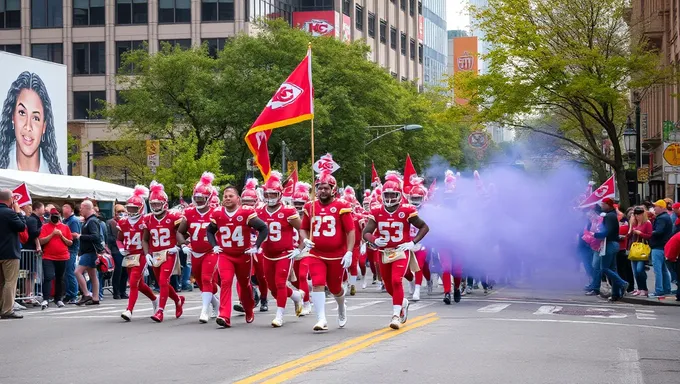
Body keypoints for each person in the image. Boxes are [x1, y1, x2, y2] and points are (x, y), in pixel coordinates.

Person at [363, 172, 429, 330]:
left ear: (400, 195)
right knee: (387, 284)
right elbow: (366, 232)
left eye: (393, 194)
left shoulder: (407, 210)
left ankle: (395, 316)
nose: (390, 198)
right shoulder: (377, 210)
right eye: (387, 194)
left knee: (396, 280)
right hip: (384, 252)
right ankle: (402, 303)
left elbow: (424, 227)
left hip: (400, 251)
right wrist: (373, 239)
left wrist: (412, 242)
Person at [299, 170, 355, 332]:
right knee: (317, 283)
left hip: (336, 254)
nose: (322, 191)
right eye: (319, 188)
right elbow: (303, 228)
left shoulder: (341, 206)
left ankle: (341, 307)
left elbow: (350, 231)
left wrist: (349, 251)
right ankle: (321, 319)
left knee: (335, 288)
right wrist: (305, 239)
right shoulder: (310, 206)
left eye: (325, 188)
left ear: (333, 189)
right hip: (316, 253)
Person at [207, 185, 269, 328]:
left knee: (244, 284)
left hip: (243, 255)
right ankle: (224, 315)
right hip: (225, 254)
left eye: (231, 196)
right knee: (226, 282)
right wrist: (214, 245)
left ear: (238, 199)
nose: (227, 198)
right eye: (225, 196)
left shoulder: (246, 213)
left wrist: (256, 246)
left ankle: (249, 308)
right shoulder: (218, 213)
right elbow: (209, 231)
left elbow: (263, 228)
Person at [256, 171, 305, 327]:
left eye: (273, 194)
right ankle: (296, 296)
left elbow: (303, 230)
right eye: (267, 194)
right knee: (272, 288)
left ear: (280, 194)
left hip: (285, 253)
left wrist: (300, 248)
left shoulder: (288, 211)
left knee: (280, 283)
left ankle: (279, 315)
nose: (270, 198)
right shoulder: (259, 211)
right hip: (267, 253)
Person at [177, 172, 220, 323]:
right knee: (201, 283)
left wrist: (219, 245)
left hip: (211, 250)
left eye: (202, 198)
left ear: (208, 198)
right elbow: (180, 232)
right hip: (195, 251)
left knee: (207, 278)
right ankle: (216, 304)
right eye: (197, 198)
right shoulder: (189, 212)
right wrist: (183, 245)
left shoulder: (216, 212)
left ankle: (204, 311)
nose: (199, 200)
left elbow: (224, 231)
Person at [0, 71, 63, 174]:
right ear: (12, 117)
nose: (28, 126)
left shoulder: (55, 177)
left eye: (36, 118)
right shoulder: (2, 171)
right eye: (22, 113)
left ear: (44, 126)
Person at [142, 181, 186, 323]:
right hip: (155, 254)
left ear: (165, 203)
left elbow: (185, 232)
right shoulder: (148, 218)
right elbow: (145, 239)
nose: (155, 206)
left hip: (169, 253)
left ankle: (160, 311)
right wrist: (147, 253)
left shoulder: (174, 216)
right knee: (162, 283)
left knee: (163, 281)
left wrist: (179, 246)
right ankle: (178, 300)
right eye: (153, 204)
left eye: (157, 204)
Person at [119, 186, 158, 322]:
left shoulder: (145, 220)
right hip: (129, 254)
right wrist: (120, 248)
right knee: (139, 284)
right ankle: (154, 299)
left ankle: (129, 309)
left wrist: (149, 253)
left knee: (134, 281)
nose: (131, 211)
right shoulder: (123, 221)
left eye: (134, 208)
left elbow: (149, 238)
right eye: (129, 208)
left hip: (141, 253)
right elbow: (119, 238)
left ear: (140, 208)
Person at [593, 198, 629, 301]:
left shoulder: (609, 216)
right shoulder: (612, 215)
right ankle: (615, 294)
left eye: (603, 204)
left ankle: (622, 283)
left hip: (609, 244)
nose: (602, 206)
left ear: (608, 205)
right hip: (614, 244)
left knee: (604, 268)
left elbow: (607, 231)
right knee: (612, 269)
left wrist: (595, 234)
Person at [0, 189, 27, 319]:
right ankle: (7, 310)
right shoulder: (10, 213)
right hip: (9, 252)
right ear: (10, 199)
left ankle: (1, 307)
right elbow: (21, 226)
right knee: (10, 282)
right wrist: (18, 212)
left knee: (1, 283)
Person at [38, 207, 72, 309]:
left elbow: (70, 242)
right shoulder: (45, 227)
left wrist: (61, 236)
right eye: (53, 217)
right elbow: (41, 241)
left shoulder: (65, 227)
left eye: (56, 217)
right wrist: (52, 234)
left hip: (62, 256)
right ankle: (46, 299)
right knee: (48, 276)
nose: (55, 219)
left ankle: (58, 299)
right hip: (48, 256)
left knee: (59, 278)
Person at [74, 200, 101, 305]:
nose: (80, 210)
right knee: (93, 275)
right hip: (90, 251)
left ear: (86, 208)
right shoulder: (89, 220)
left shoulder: (92, 221)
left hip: (90, 251)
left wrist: (80, 236)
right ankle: (95, 297)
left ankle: (86, 294)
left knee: (77, 272)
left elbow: (96, 236)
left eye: (81, 208)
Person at [649, 200, 673, 297]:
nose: (654, 208)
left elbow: (659, 231)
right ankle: (667, 289)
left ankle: (659, 290)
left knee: (658, 270)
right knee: (663, 269)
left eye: (656, 206)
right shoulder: (666, 217)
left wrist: (649, 233)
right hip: (664, 246)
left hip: (658, 247)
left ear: (662, 207)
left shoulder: (661, 218)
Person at [628, 206, 652, 297]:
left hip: (642, 248)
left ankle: (644, 288)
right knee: (635, 271)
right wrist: (631, 226)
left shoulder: (647, 223)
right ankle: (639, 288)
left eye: (639, 215)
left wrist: (640, 233)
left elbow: (649, 236)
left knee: (639, 270)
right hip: (634, 248)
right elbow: (628, 235)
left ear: (643, 214)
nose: (637, 216)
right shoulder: (634, 223)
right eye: (636, 215)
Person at [62, 202, 81, 304]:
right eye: (63, 207)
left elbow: (75, 234)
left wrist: (62, 234)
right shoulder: (64, 221)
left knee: (70, 272)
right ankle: (69, 294)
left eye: (66, 207)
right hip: (65, 249)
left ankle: (73, 294)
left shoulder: (73, 221)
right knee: (66, 273)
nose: (64, 209)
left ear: (71, 210)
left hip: (71, 249)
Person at [108, 204, 128, 299]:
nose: (121, 214)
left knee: (125, 271)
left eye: (122, 212)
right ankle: (116, 292)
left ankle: (122, 291)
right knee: (118, 270)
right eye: (119, 212)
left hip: (125, 249)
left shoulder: (126, 222)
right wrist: (118, 240)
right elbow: (109, 237)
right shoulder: (111, 223)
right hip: (116, 250)